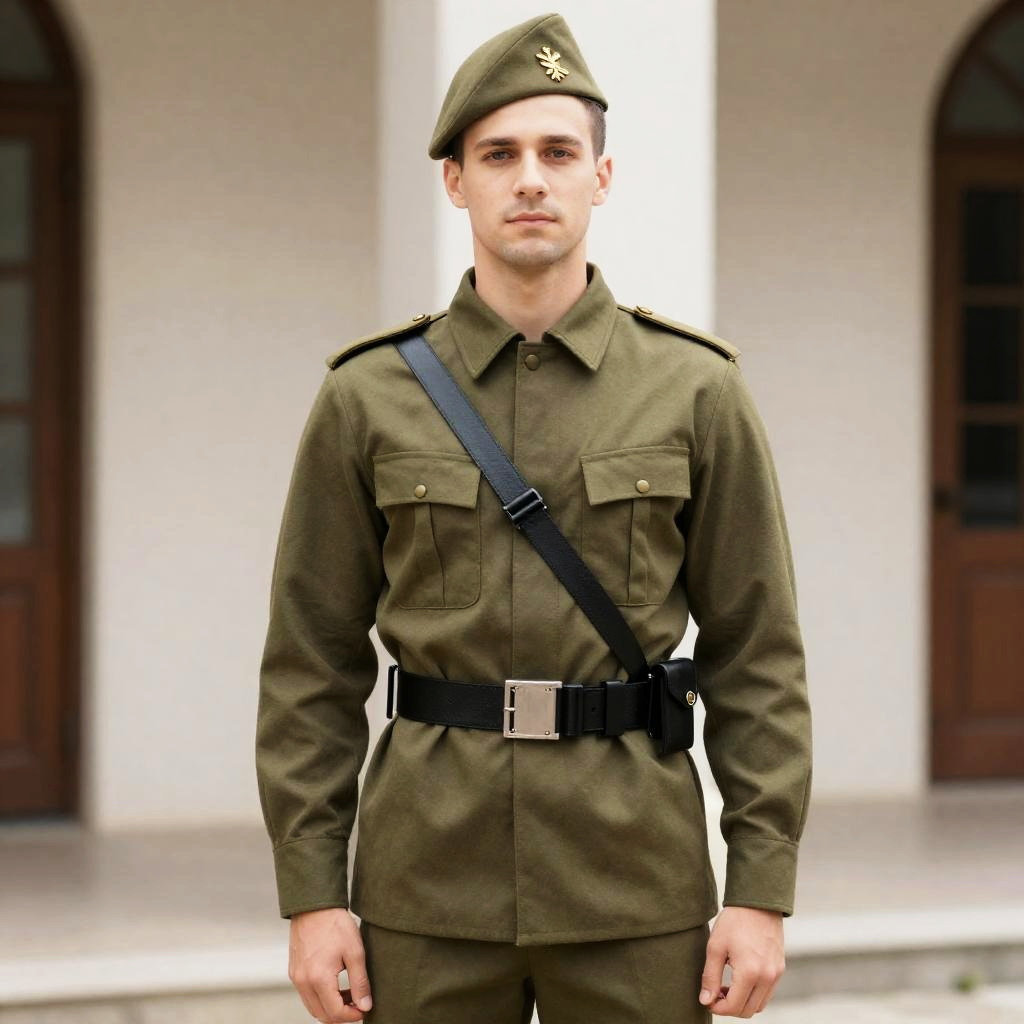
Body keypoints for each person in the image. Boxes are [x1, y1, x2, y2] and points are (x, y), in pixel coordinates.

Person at [255, 11, 812, 1024]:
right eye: (498, 153)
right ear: (454, 180)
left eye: (558, 151)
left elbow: (757, 655)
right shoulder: (366, 397)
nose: (529, 179)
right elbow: (310, 663)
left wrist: (759, 888)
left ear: (601, 176)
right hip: (426, 887)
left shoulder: (695, 391)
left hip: (633, 886)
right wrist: (313, 895)